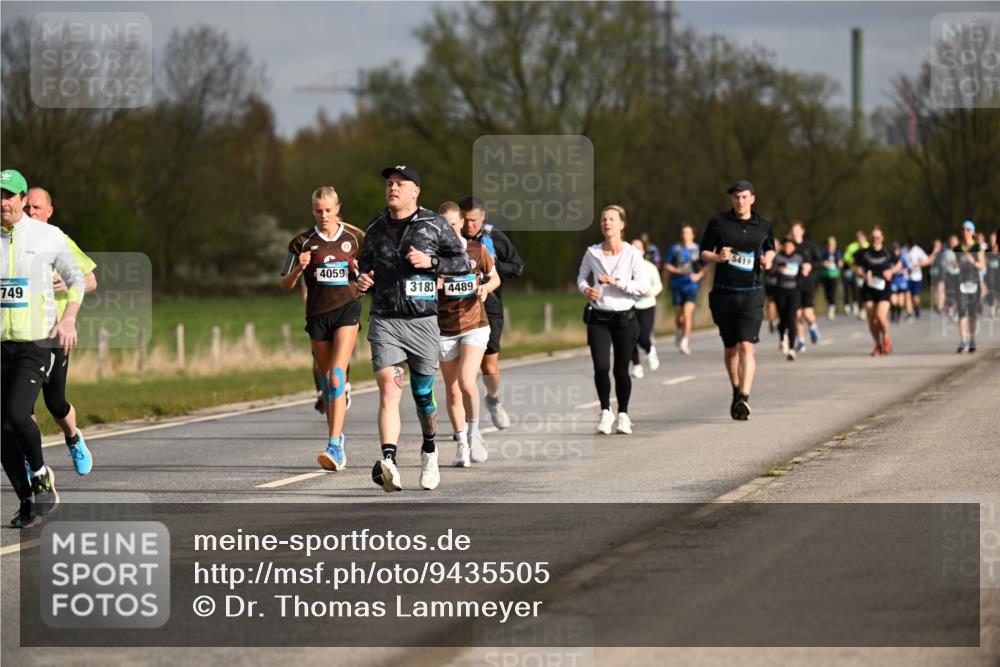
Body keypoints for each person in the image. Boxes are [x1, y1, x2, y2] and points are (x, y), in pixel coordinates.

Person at [356, 165, 471, 492]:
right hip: (385, 318)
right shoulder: (375, 227)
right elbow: (364, 268)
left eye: (399, 184)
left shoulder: (433, 225)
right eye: (389, 183)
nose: (392, 188)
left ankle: (429, 448)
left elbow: (462, 263)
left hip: (422, 321)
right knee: (389, 390)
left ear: (414, 191)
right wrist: (362, 281)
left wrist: (432, 263)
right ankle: (389, 461)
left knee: (423, 397)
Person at [2, 169, 85, 528]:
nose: (3, 202)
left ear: (22, 200)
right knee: (3, 430)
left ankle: (40, 473)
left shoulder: (49, 236)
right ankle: (29, 500)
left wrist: (68, 320)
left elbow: (79, 278)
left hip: (37, 343)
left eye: (10, 195)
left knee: (19, 414)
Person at [281, 186, 364, 471]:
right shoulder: (300, 243)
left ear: (338, 208)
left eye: (329, 210)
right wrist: (297, 270)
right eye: (318, 210)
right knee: (328, 383)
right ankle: (338, 436)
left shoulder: (356, 238)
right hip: (317, 316)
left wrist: (362, 276)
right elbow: (284, 284)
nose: (324, 215)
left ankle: (333, 445)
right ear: (312, 211)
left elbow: (370, 274)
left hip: (347, 311)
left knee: (338, 376)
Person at [23, 187, 97, 476]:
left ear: (49, 212)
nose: (31, 213)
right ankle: (32, 461)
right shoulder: (12, 241)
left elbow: (90, 280)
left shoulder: (58, 240)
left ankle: (73, 438)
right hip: (22, 334)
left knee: (55, 402)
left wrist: (68, 284)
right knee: (21, 406)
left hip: (56, 334)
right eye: (28, 207)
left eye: (37, 208)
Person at [700, 180, 775, 421]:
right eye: (736, 197)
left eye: (744, 197)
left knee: (746, 345)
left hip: (751, 293)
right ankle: (735, 389)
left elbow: (770, 248)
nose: (740, 201)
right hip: (724, 293)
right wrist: (718, 256)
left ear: (752, 198)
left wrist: (768, 260)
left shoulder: (763, 225)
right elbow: (703, 251)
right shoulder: (719, 222)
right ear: (732, 200)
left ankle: (744, 396)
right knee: (731, 349)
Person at [435, 202, 500, 467]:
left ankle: (474, 433)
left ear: (461, 223)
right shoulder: (431, 256)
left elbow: (494, 277)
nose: (447, 229)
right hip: (444, 328)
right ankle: (462, 444)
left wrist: (486, 288)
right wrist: (433, 284)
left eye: (451, 224)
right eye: (442, 225)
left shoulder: (477, 249)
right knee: (451, 391)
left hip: (475, 324)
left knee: (465, 381)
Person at [577, 205, 647, 435]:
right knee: (601, 367)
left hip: (625, 318)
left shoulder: (631, 253)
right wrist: (586, 290)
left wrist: (618, 282)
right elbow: (580, 279)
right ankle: (605, 411)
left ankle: (623, 414)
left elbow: (643, 288)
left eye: (611, 219)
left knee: (620, 370)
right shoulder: (592, 252)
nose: (607, 223)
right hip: (599, 317)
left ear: (621, 225)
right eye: (603, 219)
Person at [459, 196, 523, 431]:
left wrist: (494, 264)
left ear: (483, 217)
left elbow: (517, 266)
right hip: (458, 310)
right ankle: (465, 423)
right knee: (462, 371)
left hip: (491, 308)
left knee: (489, 368)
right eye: (464, 220)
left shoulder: (493, 236)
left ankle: (493, 400)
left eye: (473, 220)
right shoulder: (453, 236)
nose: (468, 226)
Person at [854, 226, 901, 356]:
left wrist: (891, 271)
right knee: (872, 320)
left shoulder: (888, 251)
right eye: (873, 238)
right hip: (868, 288)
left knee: (880, 317)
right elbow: (856, 267)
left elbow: (899, 264)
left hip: (884, 288)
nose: (875, 240)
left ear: (882, 238)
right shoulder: (864, 252)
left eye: (878, 238)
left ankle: (886, 338)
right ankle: (877, 345)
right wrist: (863, 274)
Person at [664, 224, 703, 355]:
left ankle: (684, 342)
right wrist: (677, 270)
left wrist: (698, 275)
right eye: (683, 233)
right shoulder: (675, 249)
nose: (685, 235)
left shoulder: (698, 250)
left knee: (687, 315)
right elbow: (667, 265)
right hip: (677, 285)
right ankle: (679, 332)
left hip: (691, 287)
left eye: (687, 232)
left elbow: (706, 265)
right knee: (679, 318)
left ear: (693, 235)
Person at [630, 237, 664, 376]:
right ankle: (637, 366)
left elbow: (658, 285)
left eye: (638, 247)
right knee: (630, 337)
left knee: (643, 336)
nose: (635, 250)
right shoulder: (624, 267)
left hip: (647, 306)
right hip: (629, 307)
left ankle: (650, 350)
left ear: (643, 251)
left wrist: (651, 292)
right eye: (632, 247)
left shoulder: (649, 267)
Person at [773, 235, 809, 361]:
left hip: (794, 291)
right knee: (782, 318)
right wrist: (778, 270)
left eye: (790, 246)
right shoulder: (778, 258)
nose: (788, 248)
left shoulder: (799, 258)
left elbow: (803, 275)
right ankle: (783, 338)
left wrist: (801, 279)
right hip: (780, 291)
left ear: (794, 247)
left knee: (791, 318)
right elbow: (770, 273)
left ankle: (792, 349)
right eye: (786, 246)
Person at [955, 220, 987, 354]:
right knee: (962, 313)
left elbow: (982, 265)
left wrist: (973, 261)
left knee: (972, 314)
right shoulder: (957, 248)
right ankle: (963, 341)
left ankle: (972, 340)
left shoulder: (977, 248)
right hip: (961, 284)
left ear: (972, 232)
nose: (965, 232)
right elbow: (954, 265)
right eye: (963, 229)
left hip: (974, 283)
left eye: (968, 229)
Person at [790, 221, 820, 349]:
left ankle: (813, 327)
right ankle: (801, 341)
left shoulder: (809, 246)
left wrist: (810, 266)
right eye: (793, 231)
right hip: (793, 284)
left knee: (807, 313)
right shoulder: (789, 246)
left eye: (797, 230)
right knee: (796, 313)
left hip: (808, 284)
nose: (795, 233)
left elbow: (819, 262)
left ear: (802, 231)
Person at [842, 229, 868, 318]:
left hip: (869, 273)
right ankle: (861, 308)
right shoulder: (852, 247)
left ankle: (866, 307)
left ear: (865, 238)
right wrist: (855, 268)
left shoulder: (869, 246)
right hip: (858, 272)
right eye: (858, 238)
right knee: (860, 290)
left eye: (861, 237)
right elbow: (846, 258)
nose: (860, 239)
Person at [902, 238, 930, 319]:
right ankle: (909, 313)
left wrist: (919, 264)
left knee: (915, 296)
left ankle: (916, 307)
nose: (910, 248)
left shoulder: (918, 250)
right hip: (906, 277)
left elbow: (927, 261)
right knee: (907, 295)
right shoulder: (903, 250)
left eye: (911, 246)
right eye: (909, 246)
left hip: (916, 277)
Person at [818, 236, 843, 321]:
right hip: (825, 275)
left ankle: (831, 308)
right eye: (829, 244)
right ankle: (830, 305)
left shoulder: (837, 252)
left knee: (832, 291)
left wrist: (840, 263)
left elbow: (840, 262)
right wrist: (823, 263)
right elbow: (818, 261)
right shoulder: (823, 252)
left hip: (834, 275)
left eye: (833, 244)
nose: (831, 246)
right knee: (827, 293)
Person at [889, 243, 911, 324]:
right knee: (893, 300)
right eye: (894, 250)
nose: (896, 252)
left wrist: (906, 270)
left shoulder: (902, 259)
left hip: (902, 281)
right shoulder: (889, 259)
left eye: (897, 250)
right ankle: (893, 313)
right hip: (893, 282)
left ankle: (898, 316)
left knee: (900, 300)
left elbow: (909, 268)